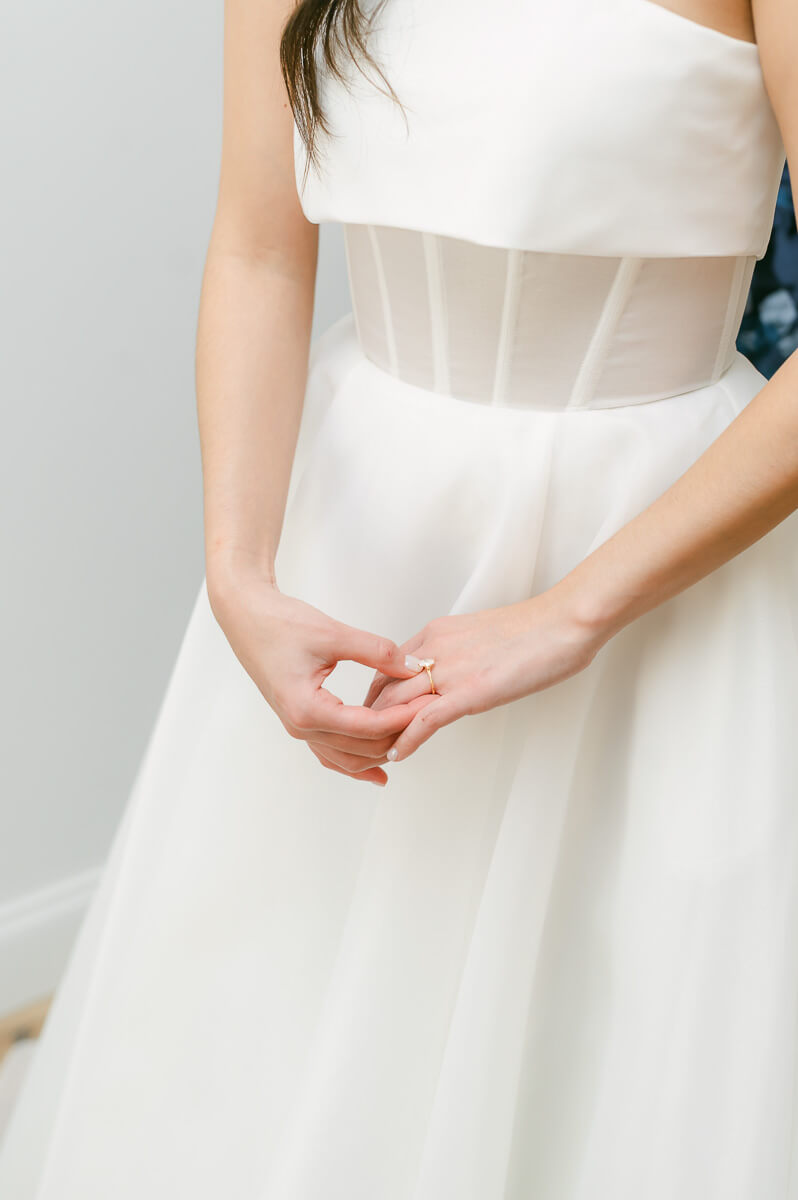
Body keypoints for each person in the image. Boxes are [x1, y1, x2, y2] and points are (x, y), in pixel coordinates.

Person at [2, 0, 798, 1195]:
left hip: (662, 548)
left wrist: (573, 611)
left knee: (617, 1046)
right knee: (274, 1021)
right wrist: (240, 576)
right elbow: (261, 247)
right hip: (359, 528)